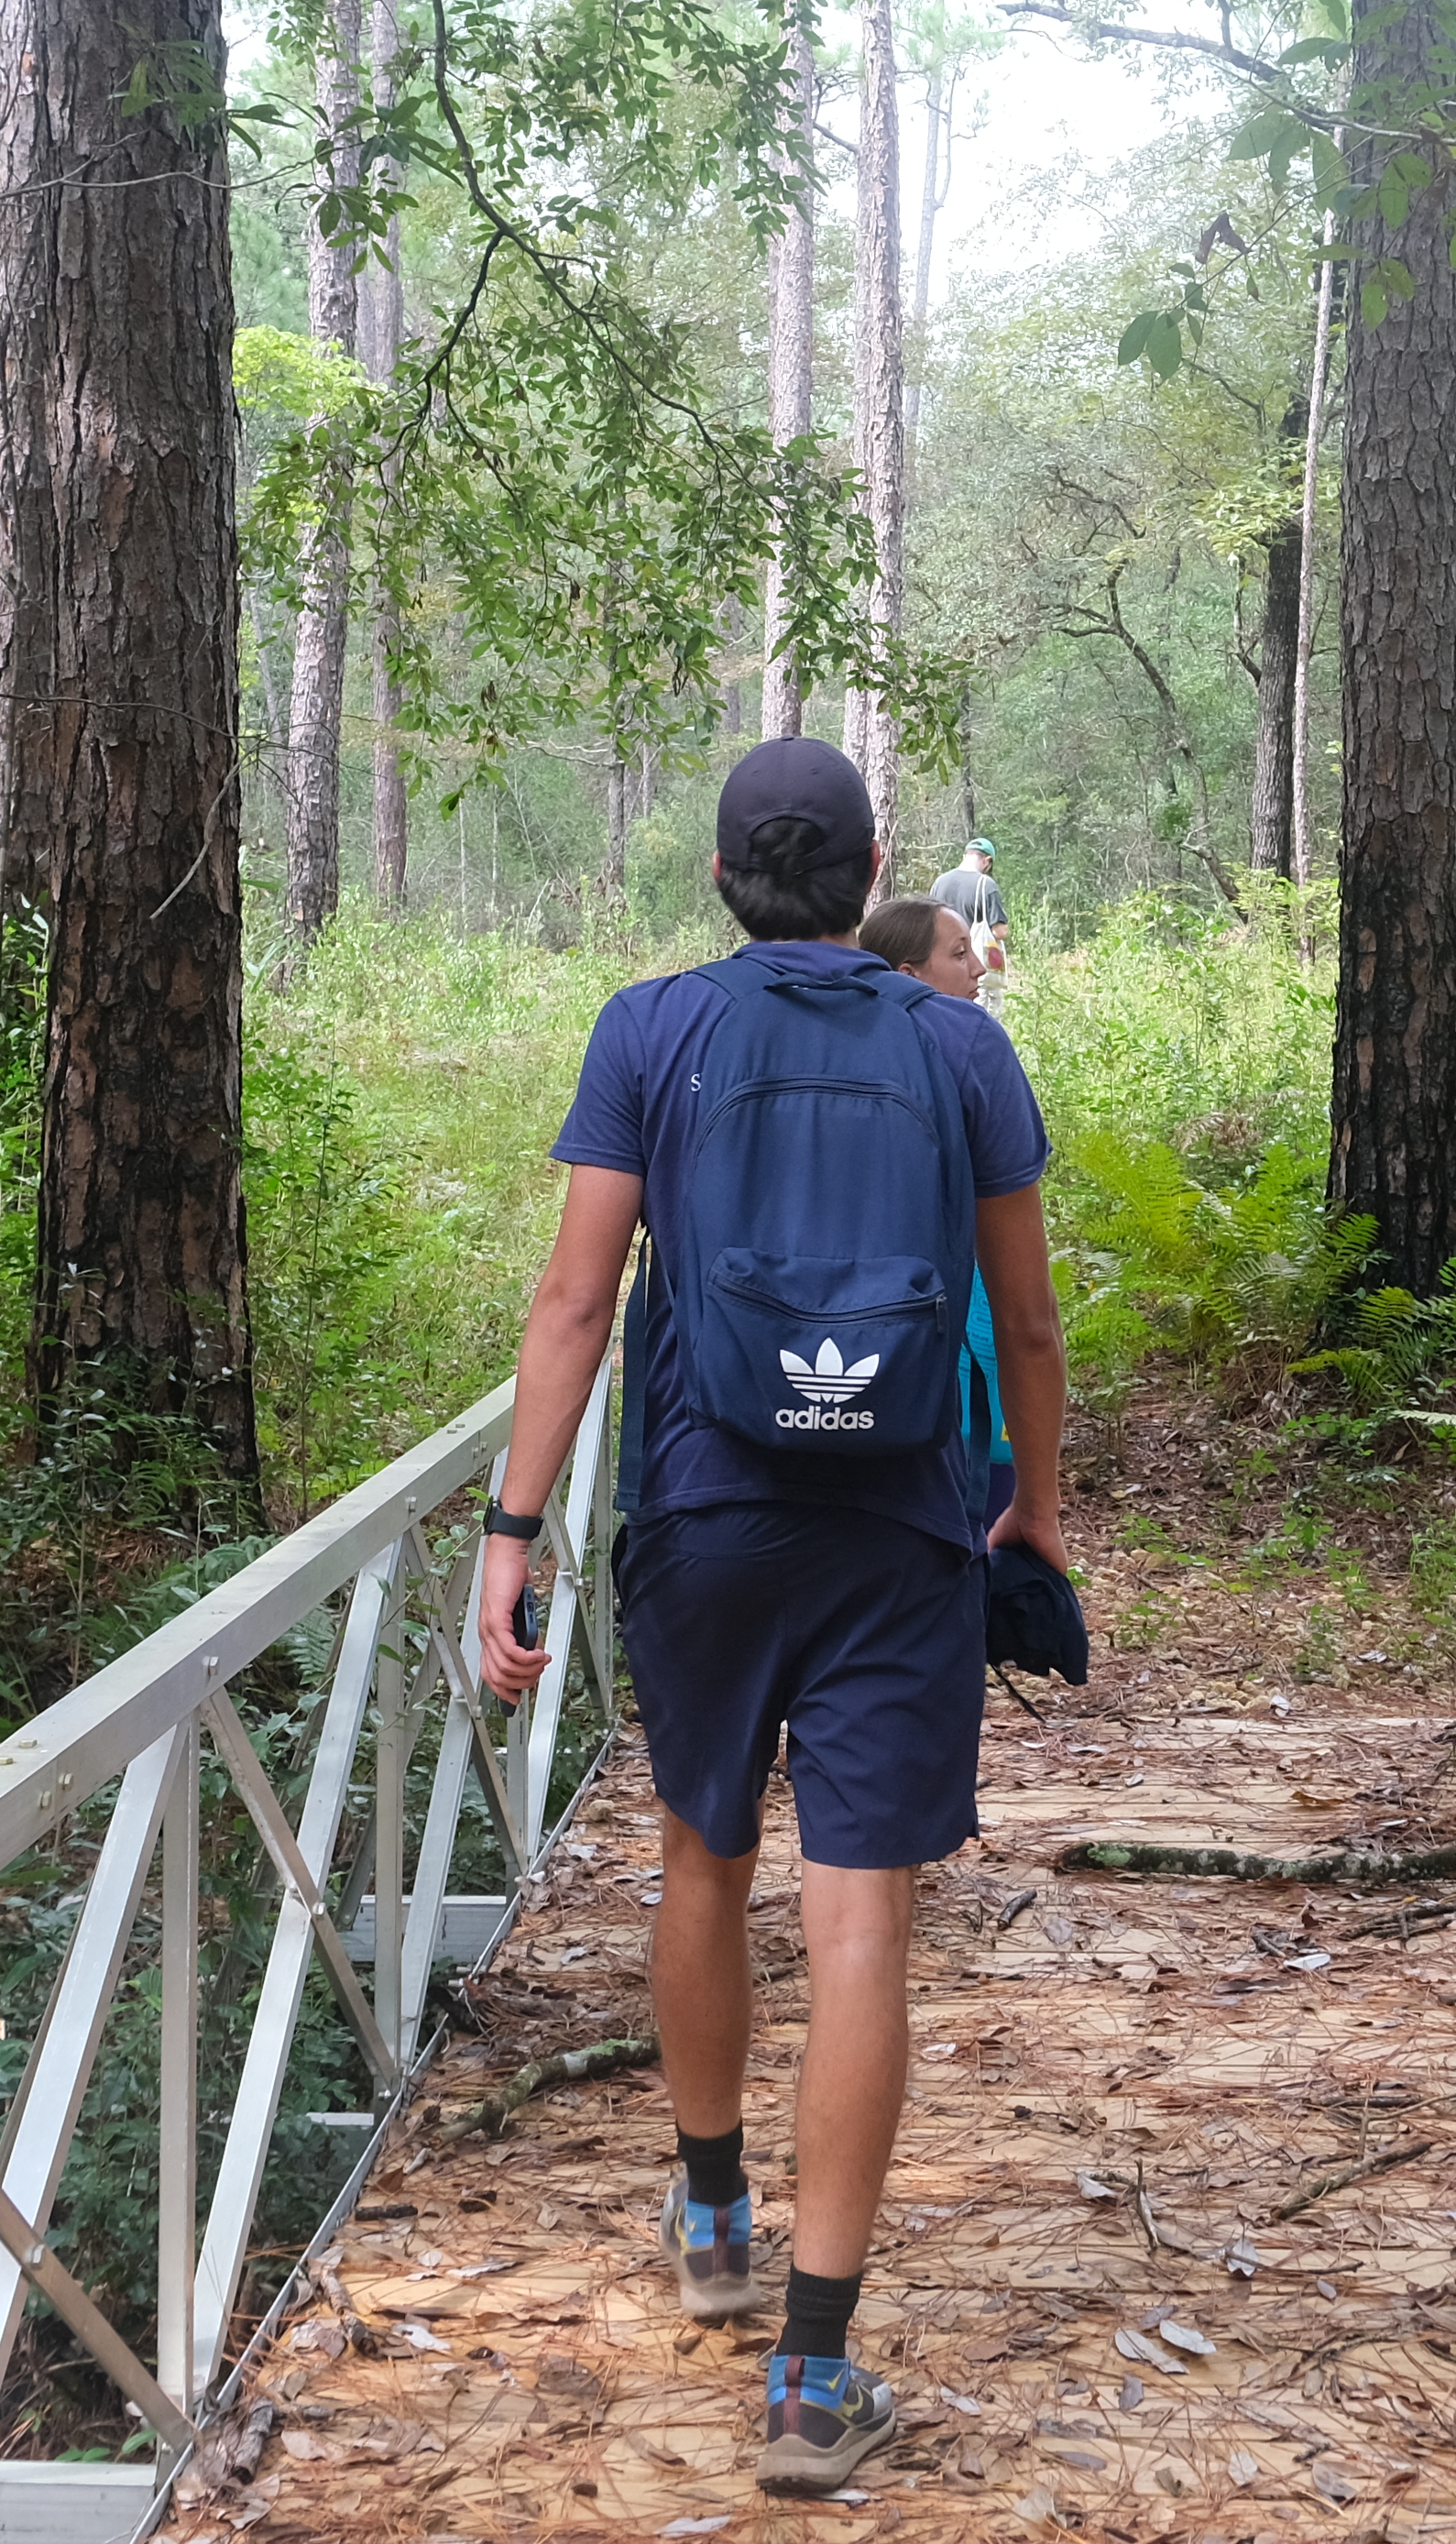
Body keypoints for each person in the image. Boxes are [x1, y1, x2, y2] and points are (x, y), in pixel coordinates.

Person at [474, 738, 1067, 2496]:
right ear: (878, 865)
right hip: (900, 1525)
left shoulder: (650, 1030)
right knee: (861, 1913)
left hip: (707, 1513)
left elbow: (578, 1301)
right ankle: (813, 2379)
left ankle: (713, 2211)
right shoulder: (961, 1040)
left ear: (725, 874)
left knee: (703, 1859)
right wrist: (1033, 1504)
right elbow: (1026, 1325)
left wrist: (515, 1525)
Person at [859, 900, 1018, 1533]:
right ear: (907, 974)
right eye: (958, 955)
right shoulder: (961, 1060)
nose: (979, 968)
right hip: (929, 1332)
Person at [927, 837, 1010, 979]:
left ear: (965, 856)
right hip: (975, 966)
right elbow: (999, 931)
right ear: (987, 860)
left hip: (943, 965)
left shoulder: (939, 882)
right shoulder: (986, 884)